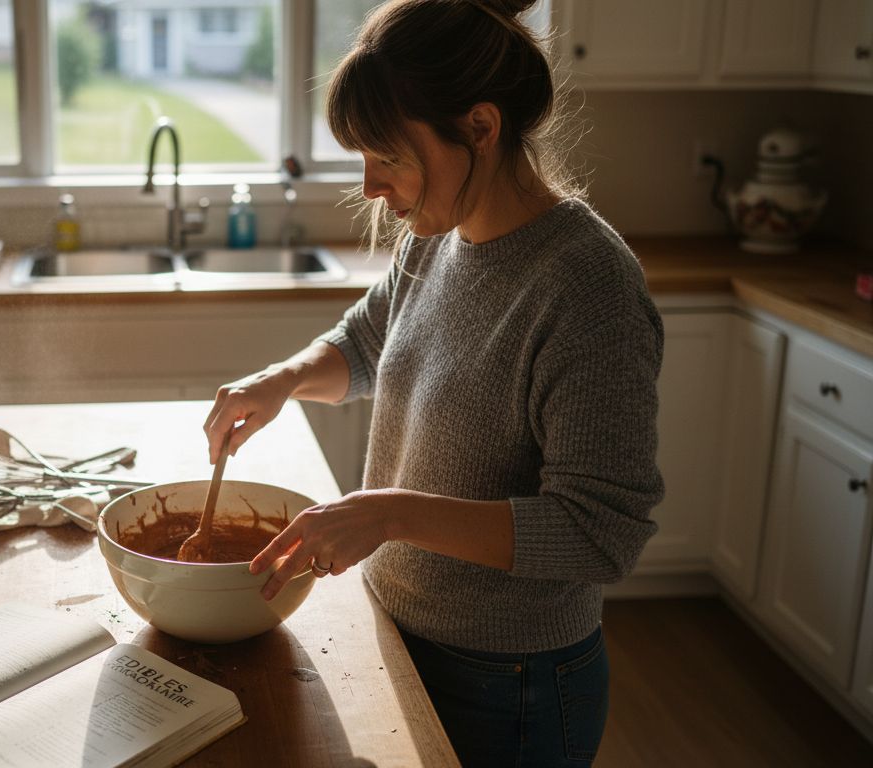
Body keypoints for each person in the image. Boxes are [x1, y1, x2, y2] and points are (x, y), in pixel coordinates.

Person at [201, 1, 664, 765]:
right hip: (401, 629)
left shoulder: (587, 288)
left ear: (480, 127)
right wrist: (280, 380)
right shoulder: (441, 234)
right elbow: (367, 337)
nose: (370, 185)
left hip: (512, 684)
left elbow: (600, 533)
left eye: (386, 156)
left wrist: (391, 515)